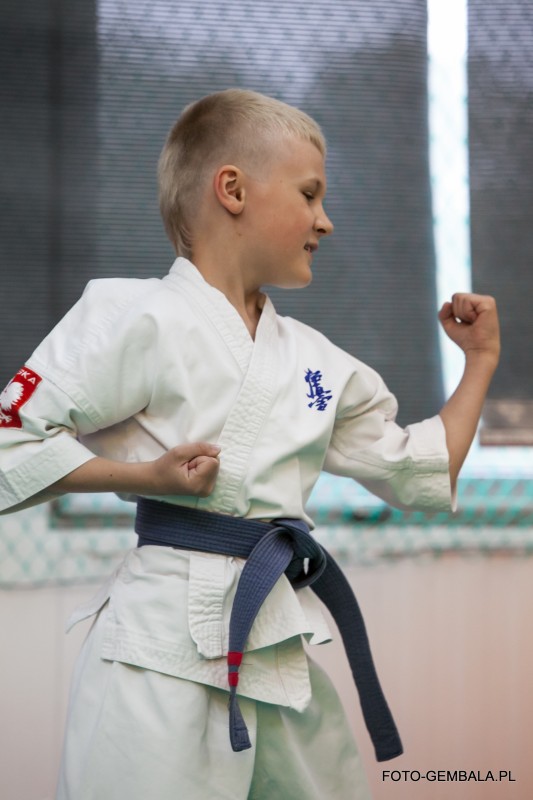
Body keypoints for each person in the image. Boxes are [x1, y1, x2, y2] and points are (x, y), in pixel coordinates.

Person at [0, 89, 500, 800]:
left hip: (274, 643)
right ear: (232, 190)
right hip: (157, 652)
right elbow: (12, 443)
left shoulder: (317, 363)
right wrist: (142, 476)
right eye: (309, 194)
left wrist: (479, 362)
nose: (325, 220)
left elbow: (421, 469)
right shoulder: (133, 316)